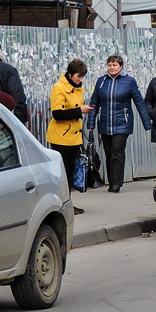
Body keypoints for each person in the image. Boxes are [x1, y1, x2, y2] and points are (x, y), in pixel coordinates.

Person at [85, 55, 151, 193]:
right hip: (105, 123)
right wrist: (91, 123)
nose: (112, 68)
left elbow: (139, 102)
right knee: (108, 152)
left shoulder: (129, 81)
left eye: (114, 65)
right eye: (110, 65)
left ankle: (116, 183)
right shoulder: (101, 82)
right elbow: (94, 103)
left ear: (121, 66)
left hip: (122, 123)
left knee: (117, 151)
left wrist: (147, 123)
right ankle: (111, 181)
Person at [47, 59, 92, 213]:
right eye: (78, 76)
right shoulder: (59, 89)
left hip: (73, 137)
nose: (80, 80)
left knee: (71, 173)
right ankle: (62, 206)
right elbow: (57, 114)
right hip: (61, 138)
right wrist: (80, 111)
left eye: (82, 77)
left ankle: (68, 204)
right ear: (70, 74)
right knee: (63, 174)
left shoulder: (77, 88)